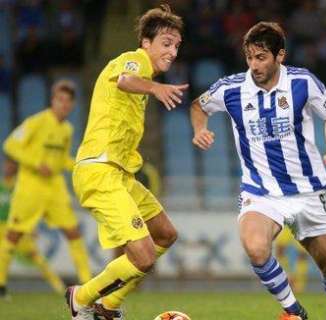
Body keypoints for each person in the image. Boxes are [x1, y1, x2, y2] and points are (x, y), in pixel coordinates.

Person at [191, 21, 326, 320]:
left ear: (280, 55)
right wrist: (200, 129)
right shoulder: (231, 89)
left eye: (261, 57)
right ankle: (294, 312)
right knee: (255, 247)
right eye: (250, 57)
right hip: (260, 191)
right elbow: (198, 106)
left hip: (306, 191)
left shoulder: (303, 82)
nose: (254, 64)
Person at [67, 5, 187, 319]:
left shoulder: (144, 76)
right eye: (166, 43)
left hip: (121, 174)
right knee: (144, 257)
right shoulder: (134, 61)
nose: (172, 51)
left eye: (176, 45)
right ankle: (81, 297)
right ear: (146, 43)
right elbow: (124, 79)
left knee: (165, 234)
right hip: (100, 169)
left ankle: (108, 305)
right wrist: (156, 87)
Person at [0, 80, 91, 297]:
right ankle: (1, 283)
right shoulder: (37, 122)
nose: (64, 105)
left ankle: (88, 285)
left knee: (73, 232)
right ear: (52, 101)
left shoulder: (67, 129)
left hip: (55, 189)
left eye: (68, 101)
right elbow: (10, 145)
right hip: (30, 187)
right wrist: (35, 162)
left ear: (72, 104)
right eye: (60, 100)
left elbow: (61, 161)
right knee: (14, 234)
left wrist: (81, 164)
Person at [0, 158, 65, 298]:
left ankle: (59, 286)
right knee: (3, 255)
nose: (7, 167)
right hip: (1, 226)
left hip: (16, 226)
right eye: (6, 164)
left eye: (11, 164)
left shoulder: (20, 184)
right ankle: (1, 288)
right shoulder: (2, 184)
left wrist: (31, 228)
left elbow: (29, 207)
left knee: (36, 256)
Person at [275, 226, 309, 293]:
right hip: (287, 224)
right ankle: (286, 276)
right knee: (280, 251)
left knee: (302, 254)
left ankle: (297, 282)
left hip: (302, 226)